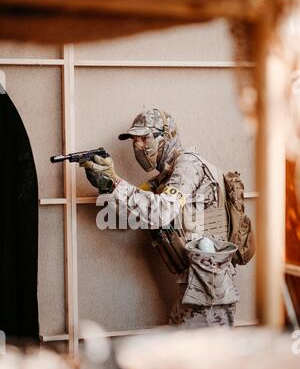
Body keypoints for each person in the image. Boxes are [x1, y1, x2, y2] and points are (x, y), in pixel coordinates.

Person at [80, 108, 239, 328]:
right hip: (195, 283)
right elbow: (130, 218)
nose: (138, 146)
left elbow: (161, 212)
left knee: (208, 359)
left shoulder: (188, 165)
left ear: (168, 136)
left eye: (145, 138)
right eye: (135, 140)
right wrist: (107, 185)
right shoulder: (166, 177)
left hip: (210, 286)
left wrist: (116, 182)